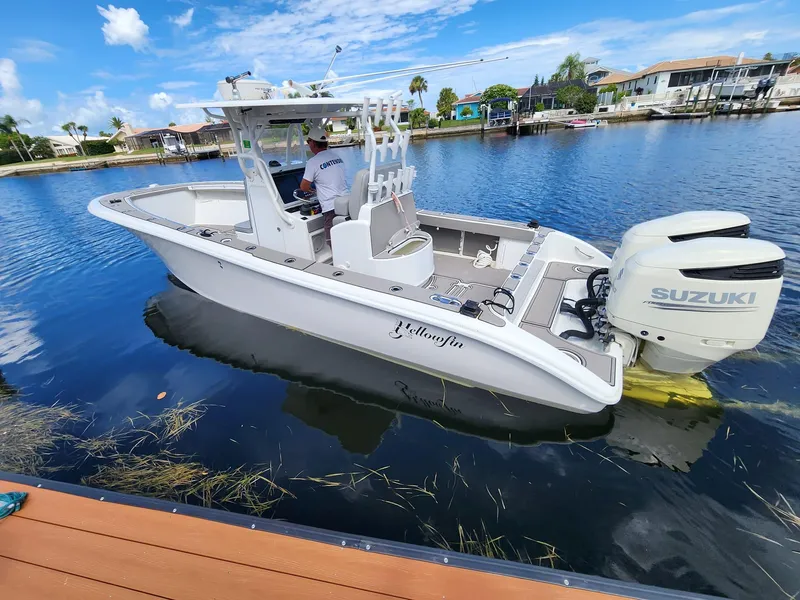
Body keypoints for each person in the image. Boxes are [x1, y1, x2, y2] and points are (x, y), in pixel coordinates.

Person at [300, 125, 348, 245]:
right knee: (345, 238)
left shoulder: (313, 162)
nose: (308, 144)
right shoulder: (336, 156)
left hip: (330, 207)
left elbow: (303, 186)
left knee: (332, 241)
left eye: (308, 141)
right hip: (346, 203)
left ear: (313, 143)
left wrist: (312, 192)